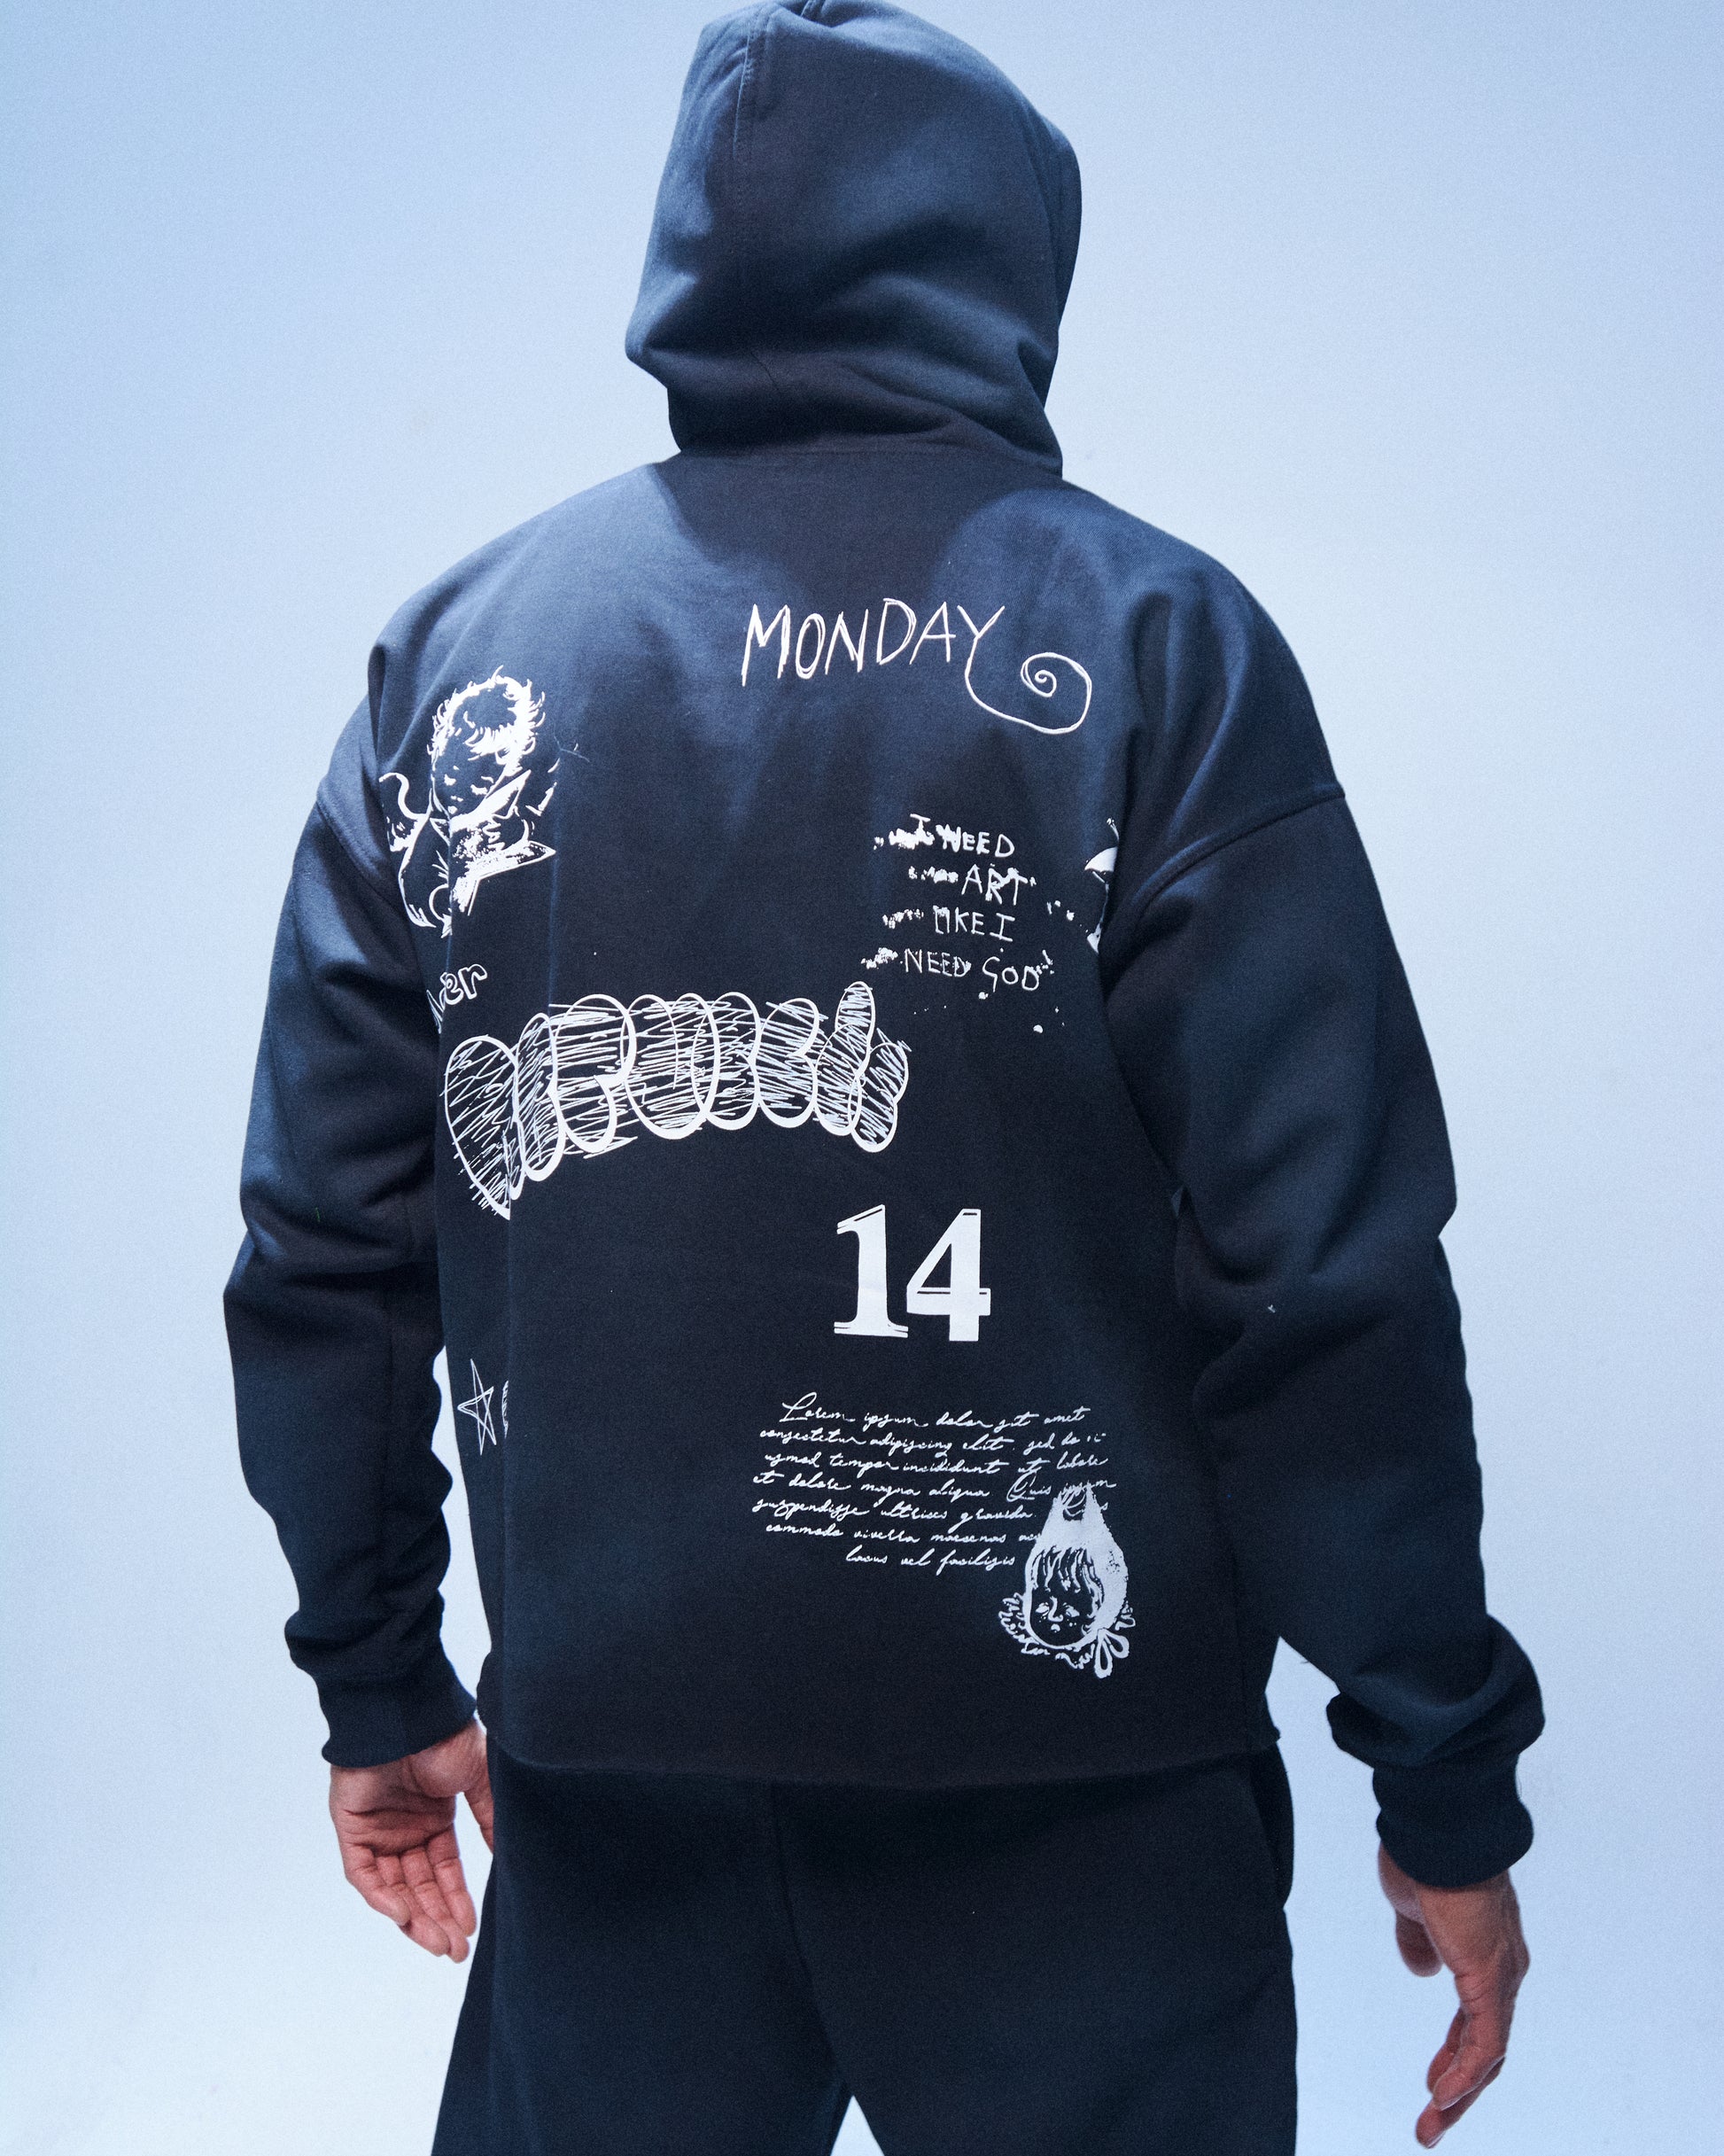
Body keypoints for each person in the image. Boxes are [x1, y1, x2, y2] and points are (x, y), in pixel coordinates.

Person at [224, 4, 1542, 2150]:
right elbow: (1322, 1277)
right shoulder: (1157, 643)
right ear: (1010, 260)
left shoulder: (461, 657)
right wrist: (1442, 1767)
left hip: (618, 1769)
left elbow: (326, 1236)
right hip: (1083, 1787)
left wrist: (377, 1680)